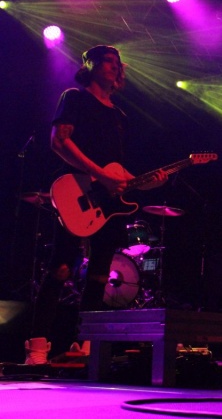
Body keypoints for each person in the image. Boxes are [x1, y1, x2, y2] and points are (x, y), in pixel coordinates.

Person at [25, 45, 167, 365]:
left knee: (101, 274)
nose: (115, 67)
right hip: (74, 190)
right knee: (61, 267)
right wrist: (101, 175)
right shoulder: (74, 98)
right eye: (108, 61)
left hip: (106, 201)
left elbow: (119, 171)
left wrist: (149, 181)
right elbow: (59, 141)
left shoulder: (119, 115)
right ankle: (37, 345)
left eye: (118, 63)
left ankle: (86, 344)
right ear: (90, 65)